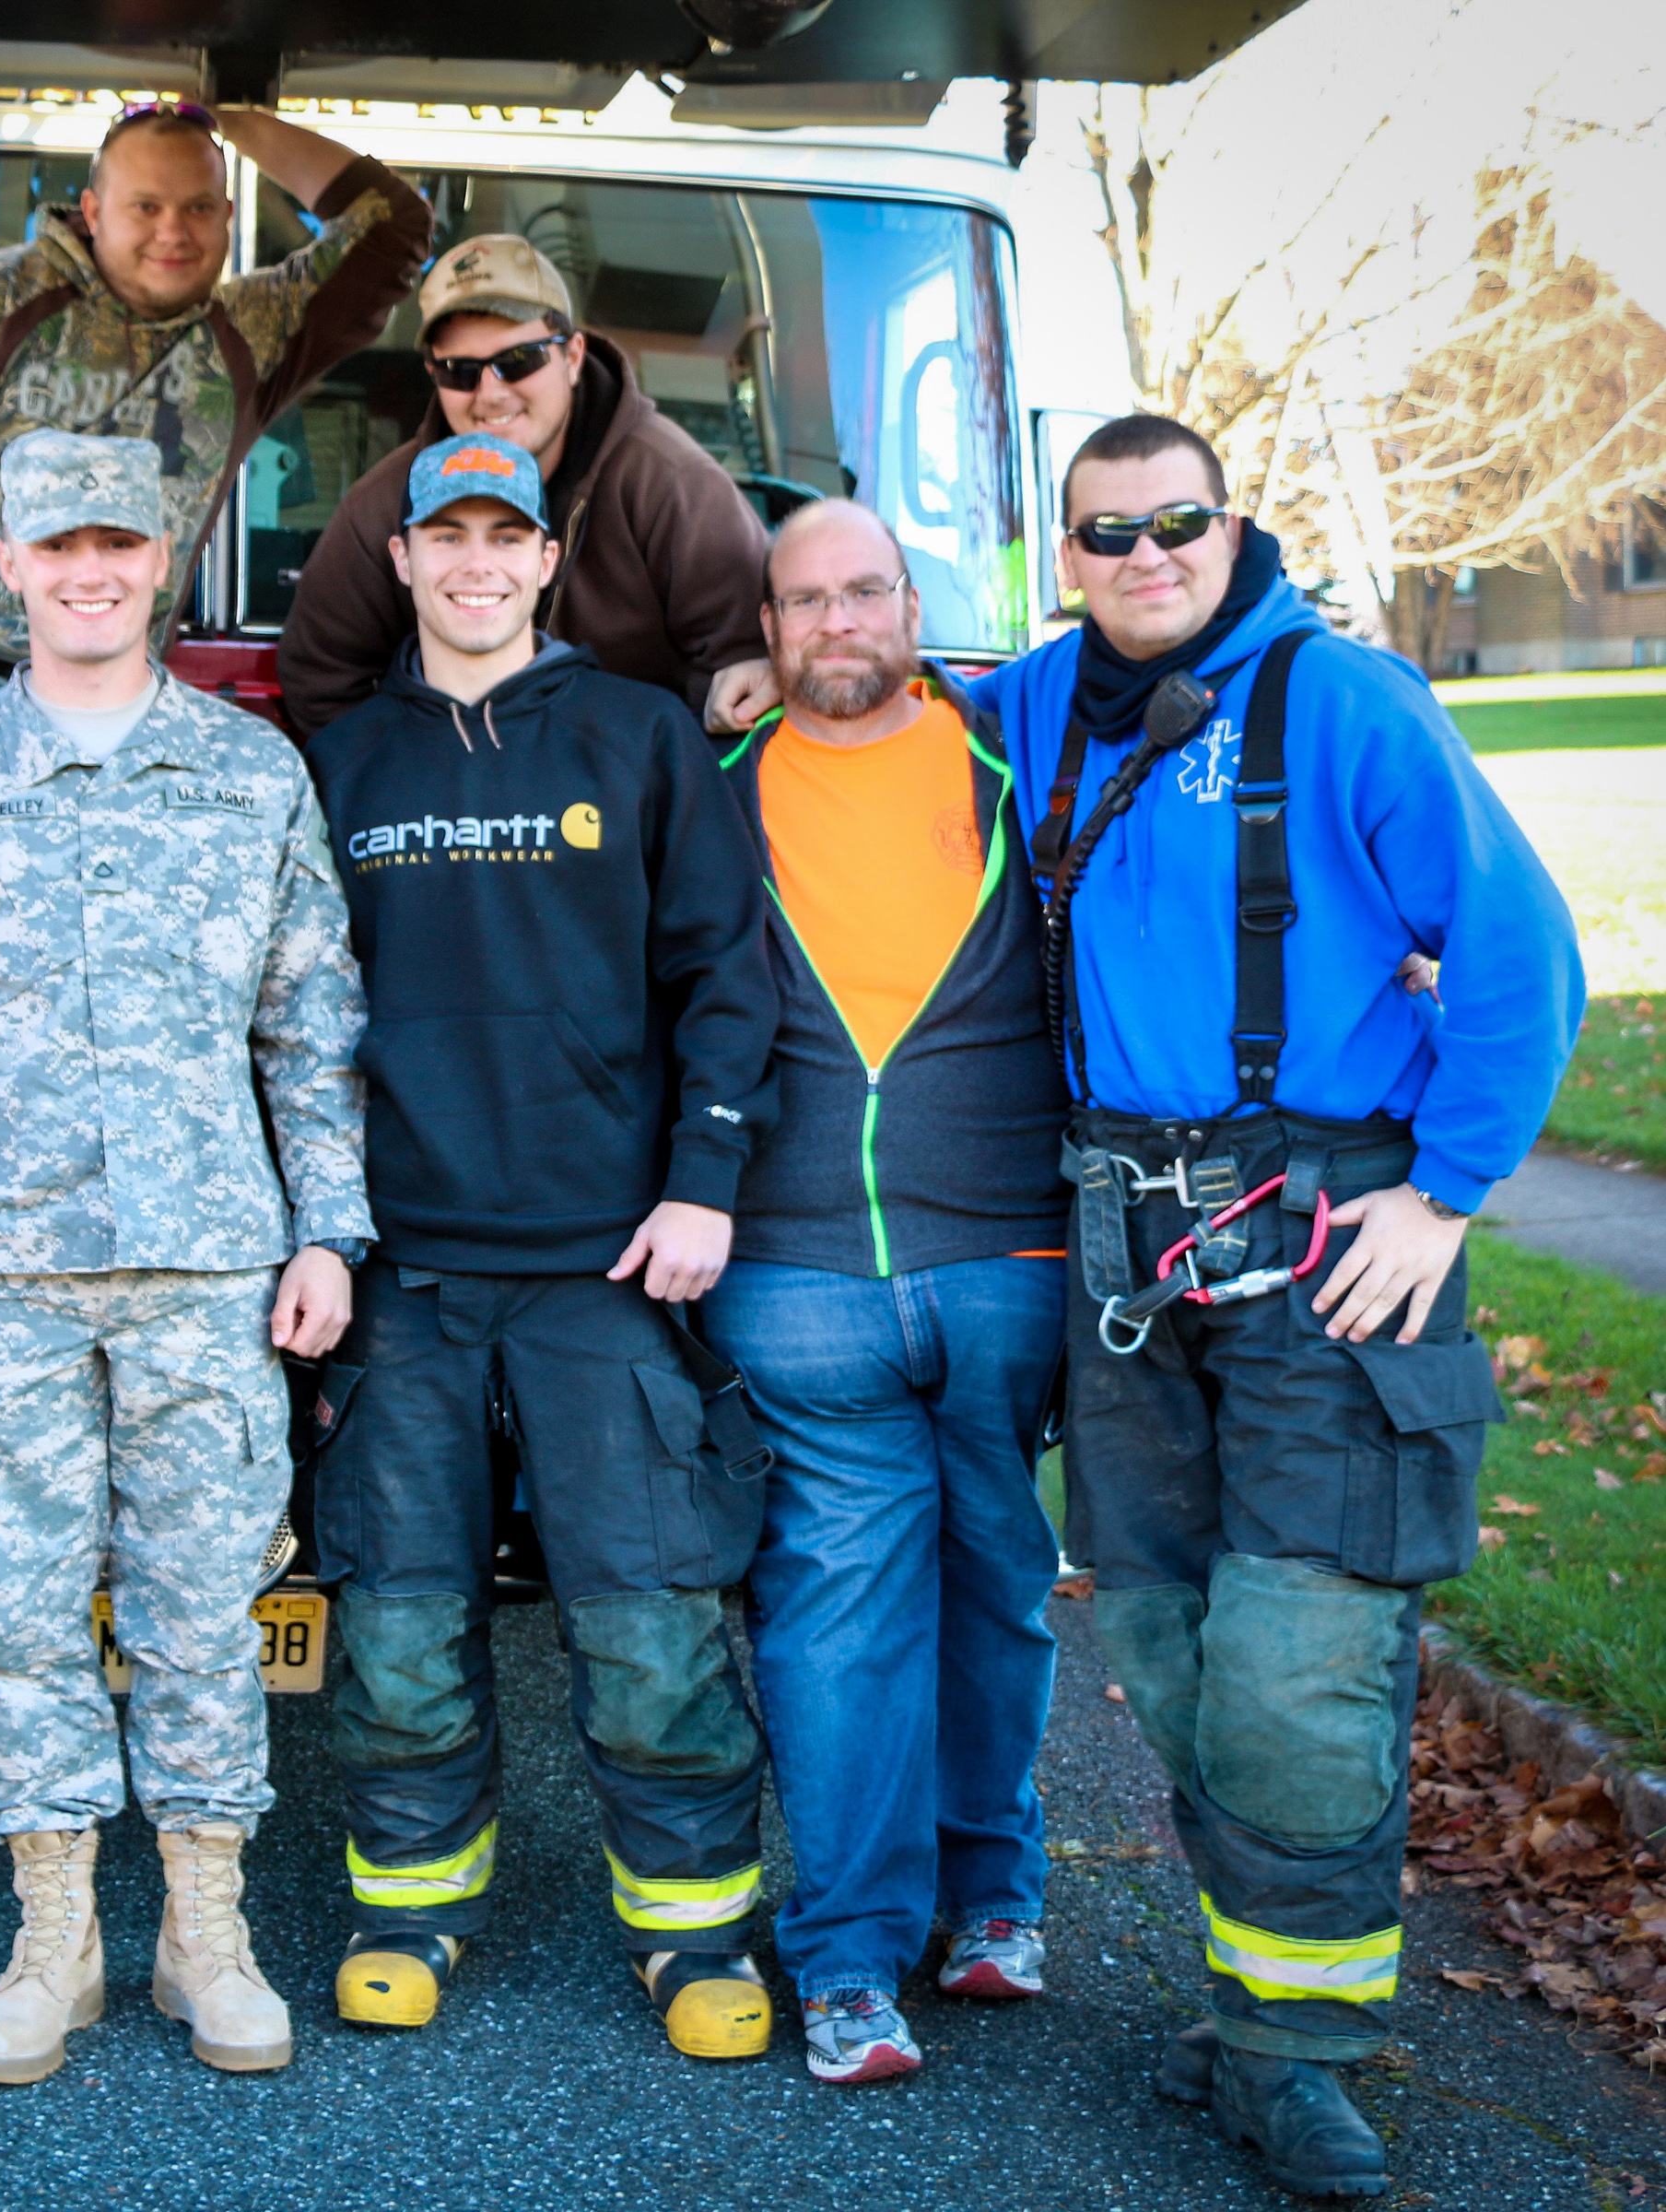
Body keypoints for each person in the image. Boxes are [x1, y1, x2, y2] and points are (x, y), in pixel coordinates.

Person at [970, 414, 1582, 2198]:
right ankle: (1255, 2009)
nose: (1145, 555)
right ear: (1065, 554)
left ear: (1232, 527)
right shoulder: (1029, 711)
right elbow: (868, 718)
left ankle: (1299, 2055)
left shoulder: (1352, 706)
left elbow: (1521, 954)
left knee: (1300, 1667)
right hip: (1123, 1250)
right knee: (1164, 1650)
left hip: (1324, 1235)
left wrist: (1450, 1189)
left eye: (1176, 523)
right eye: (1106, 534)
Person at [0, 429, 374, 2085]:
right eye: (59, 547)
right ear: (11, 564)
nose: (91, 573)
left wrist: (329, 1226)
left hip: (209, 1260)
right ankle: (52, 1945)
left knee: (206, 1609)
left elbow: (312, 1027)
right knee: (26, 1614)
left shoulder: (254, 775)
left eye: (120, 544)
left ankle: (209, 1938)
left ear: (162, 559)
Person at [297, 432, 783, 2057]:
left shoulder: (641, 741)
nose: (479, 564)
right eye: (451, 538)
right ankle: (410, 1907)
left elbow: (729, 978)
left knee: (651, 1621)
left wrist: (704, 1178)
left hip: (607, 1269)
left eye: (510, 536)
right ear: (406, 560)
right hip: (404, 1277)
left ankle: (695, 1930)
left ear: (548, 562)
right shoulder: (339, 767)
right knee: (398, 1622)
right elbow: (287, 1021)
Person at [691, 500, 1071, 2085]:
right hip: (792, 1272)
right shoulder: (706, 793)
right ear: (764, 631)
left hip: (1010, 1258)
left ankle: (993, 1900)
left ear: (913, 607)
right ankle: (846, 1961)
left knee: (997, 1593)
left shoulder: (1018, 766)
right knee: (837, 1621)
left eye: (864, 592)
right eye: (803, 601)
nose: (836, 622)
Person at [0, 101, 433, 774]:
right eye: (145, 207)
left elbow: (392, 232)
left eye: (197, 208)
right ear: (93, 210)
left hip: (86, 708)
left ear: (227, 217)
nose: (173, 231)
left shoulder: (252, 333)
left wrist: (230, 111)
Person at [278, 235, 775, 740]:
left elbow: (751, 672)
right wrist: (423, 787)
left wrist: (649, 786)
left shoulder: (671, 484)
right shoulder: (385, 503)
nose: (491, 393)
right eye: (460, 371)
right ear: (432, 374)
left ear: (574, 356)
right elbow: (320, 676)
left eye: (519, 360)